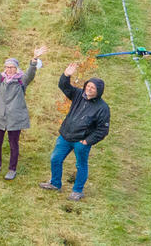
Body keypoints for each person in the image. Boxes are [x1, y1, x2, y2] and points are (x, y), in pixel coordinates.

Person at [40, 63, 110, 201]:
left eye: (93, 88)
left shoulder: (103, 108)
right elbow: (64, 86)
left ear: (99, 91)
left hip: (81, 142)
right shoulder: (78, 94)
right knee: (55, 158)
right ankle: (55, 183)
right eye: (88, 86)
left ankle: (77, 191)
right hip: (65, 136)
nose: (89, 89)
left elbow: (103, 129)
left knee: (81, 165)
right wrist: (66, 75)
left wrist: (87, 141)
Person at [0, 42, 47, 179]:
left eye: (12, 67)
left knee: (13, 144)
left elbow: (30, 74)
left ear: (17, 69)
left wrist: (34, 59)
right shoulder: (2, 79)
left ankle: (12, 169)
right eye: (7, 67)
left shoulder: (22, 80)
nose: (9, 69)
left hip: (15, 118)